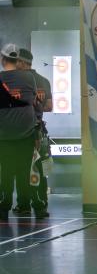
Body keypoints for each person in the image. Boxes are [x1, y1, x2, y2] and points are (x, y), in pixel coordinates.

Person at [0, 44, 38, 222]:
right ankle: (24, 206)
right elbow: (33, 100)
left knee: (6, 172)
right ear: (18, 61)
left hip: (4, 136)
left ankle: (4, 206)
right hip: (26, 134)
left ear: (3, 60)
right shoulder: (29, 78)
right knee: (24, 171)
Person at [15, 48, 52, 218]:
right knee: (38, 169)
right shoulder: (44, 80)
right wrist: (38, 108)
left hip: (21, 133)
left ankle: (24, 205)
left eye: (16, 61)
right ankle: (41, 203)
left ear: (22, 62)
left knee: (21, 169)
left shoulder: (17, 81)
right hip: (38, 131)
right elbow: (49, 107)